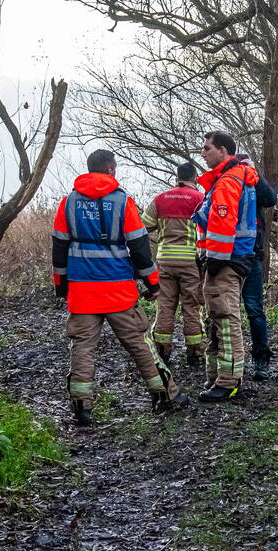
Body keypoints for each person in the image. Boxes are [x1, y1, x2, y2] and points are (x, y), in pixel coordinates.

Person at [52, 149, 187, 427]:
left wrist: (61, 286)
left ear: (89, 170)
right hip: (118, 290)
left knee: (82, 348)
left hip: (82, 289)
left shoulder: (67, 204)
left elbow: (59, 249)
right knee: (139, 344)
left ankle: (81, 408)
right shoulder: (123, 202)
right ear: (111, 170)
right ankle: (165, 396)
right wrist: (152, 284)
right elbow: (139, 248)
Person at [192, 131, 258, 402]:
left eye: (207, 149)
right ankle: (217, 377)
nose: (203, 153)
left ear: (223, 150)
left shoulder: (229, 180)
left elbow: (222, 223)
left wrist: (213, 260)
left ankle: (228, 381)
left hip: (226, 261)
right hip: (232, 259)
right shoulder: (233, 178)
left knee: (225, 319)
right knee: (217, 319)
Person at [142, 162, 206, 365]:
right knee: (191, 307)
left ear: (176, 177)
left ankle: (162, 352)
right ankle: (194, 353)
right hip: (190, 261)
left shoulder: (161, 199)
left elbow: (144, 227)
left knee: (165, 306)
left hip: (166, 260)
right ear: (194, 177)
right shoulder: (200, 199)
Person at [235, 153, 277, 381]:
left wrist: (255, 174)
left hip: (252, 256)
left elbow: (271, 199)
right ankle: (226, 363)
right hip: (226, 258)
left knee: (254, 310)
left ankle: (261, 361)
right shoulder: (225, 181)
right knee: (222, 312)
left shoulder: (253, 184)